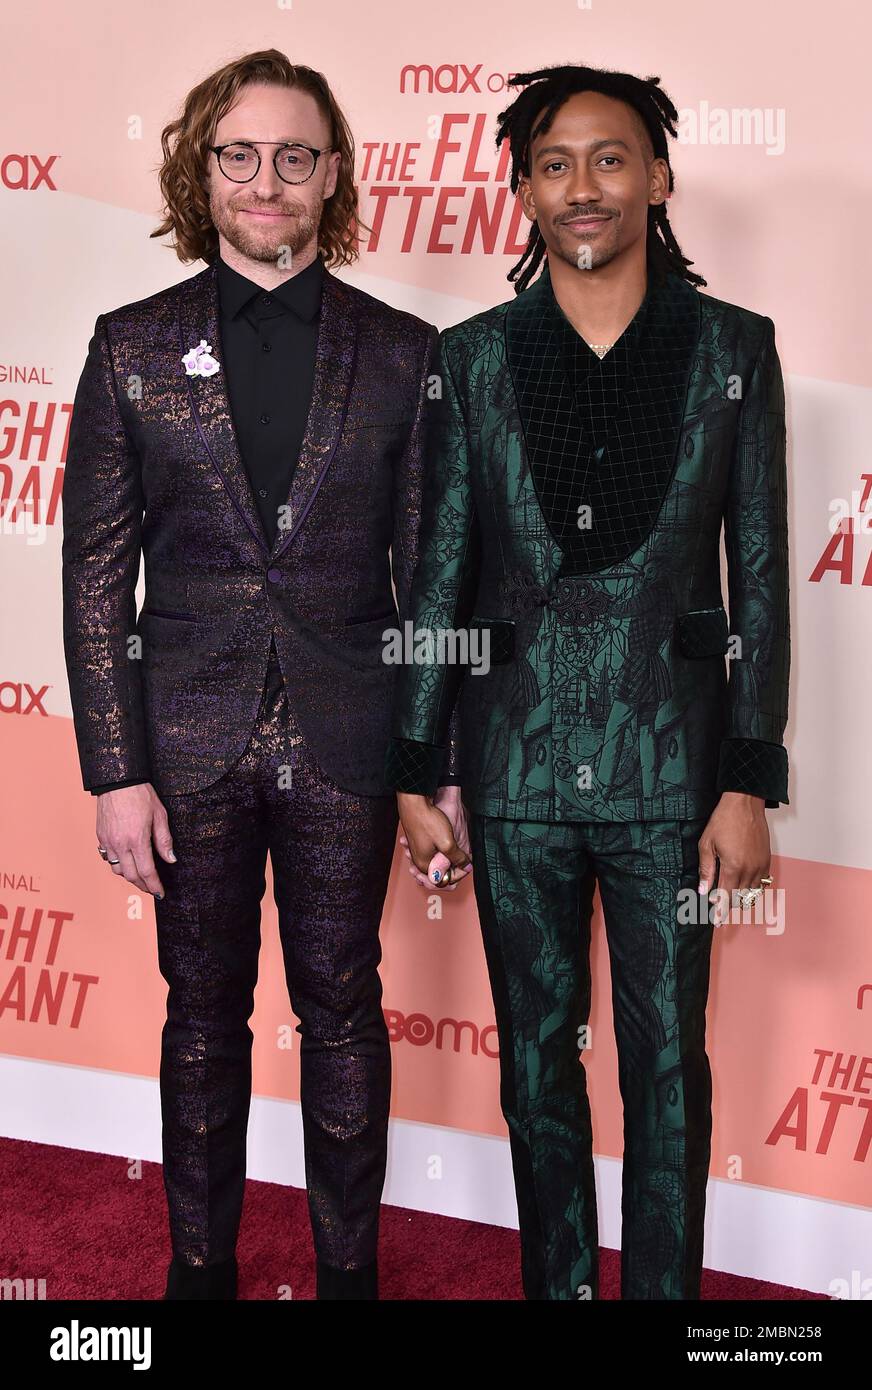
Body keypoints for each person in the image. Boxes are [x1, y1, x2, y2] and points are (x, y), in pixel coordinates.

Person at [385, 63, 790, 1300]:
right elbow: (439, 572)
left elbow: (760, 576)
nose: (581, 186)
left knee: (667, 1074)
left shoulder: (732, 349)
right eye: (553, 164)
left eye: (609, 158)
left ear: (657, 177)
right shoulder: (472, 357)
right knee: (534, 1076)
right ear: (522, 191)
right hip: (512, 773)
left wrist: (745, 782)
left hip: (674, 778)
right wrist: (414, 769)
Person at [61, 48, 455, 1301]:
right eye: (240, 154)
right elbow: (94, 580)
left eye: (295, 155)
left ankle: (349, 1277)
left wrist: (434, 764)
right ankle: (199, 1274)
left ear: (332, 173)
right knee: (199, 1016)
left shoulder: (404, 351)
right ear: (204, 171)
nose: (267, 179)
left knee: (342, 1007)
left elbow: (431, 583)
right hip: (185, 744)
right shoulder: (131, 347)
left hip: (350, 736)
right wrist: (116, 774)